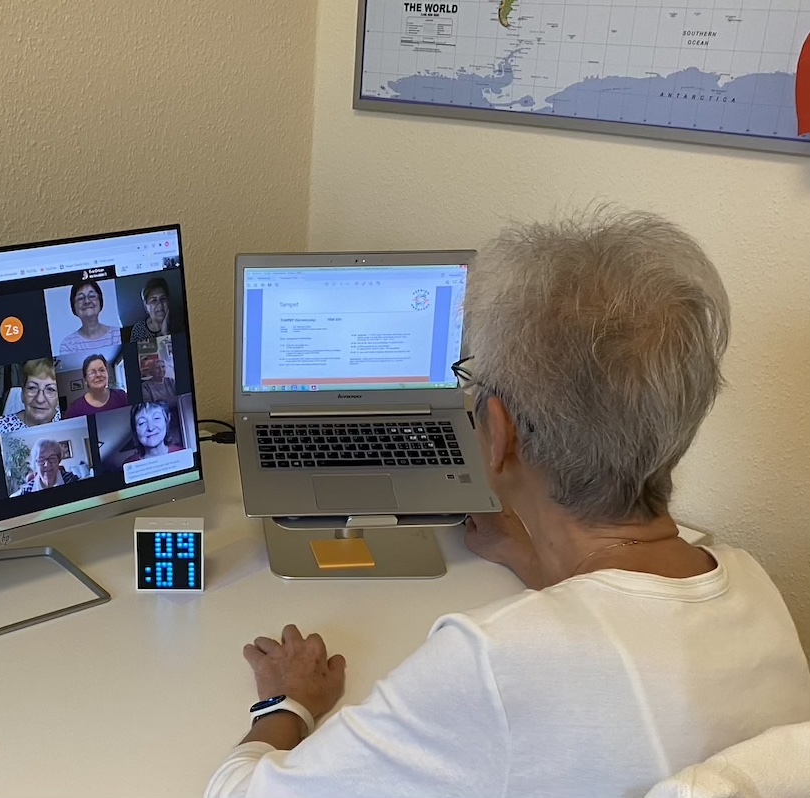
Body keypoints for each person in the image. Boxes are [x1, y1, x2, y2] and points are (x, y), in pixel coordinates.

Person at [204, 210, 810, 798]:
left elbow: (239, 793)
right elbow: (634, 634)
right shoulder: (752, 586)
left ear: (499, 433)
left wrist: (286, 702)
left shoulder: (493, 659)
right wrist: (531, 558)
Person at [0, 358, 62, 435]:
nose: (40, 399)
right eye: (32, 388)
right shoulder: (0, 426)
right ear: (22, 393)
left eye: (50, 389)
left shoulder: (67, 419)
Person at [58, 278, 121, 358]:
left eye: (91, 296)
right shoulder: (68, 344)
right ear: (74, 306)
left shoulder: (118, 334)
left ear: (100, 301)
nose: (87, 301)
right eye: (81, 298)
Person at [65, 354, 129, 418]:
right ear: (85, 380)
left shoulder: (121, 396)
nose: (98, 375)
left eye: (102, 370)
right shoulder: (75, 409)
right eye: (92, 372)